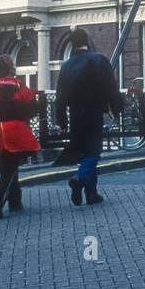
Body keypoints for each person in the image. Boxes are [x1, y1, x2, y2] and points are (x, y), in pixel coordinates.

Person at [54, 28, 122, 207]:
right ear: (87, 41)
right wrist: (116, 109)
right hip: (94, 111)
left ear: (72, 44)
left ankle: (91, 194)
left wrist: (61, 120)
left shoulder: (66, 66)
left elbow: (59, 96)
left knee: (84, 152)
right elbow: (111, 88)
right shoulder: (98, 60)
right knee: (93, 152)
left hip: (75, 113)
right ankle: (79, 179)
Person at [0, 54, 40, 220]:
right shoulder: (20, 87)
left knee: (9, 164)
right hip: (17, 131)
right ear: (10, 70)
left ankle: (15, 201)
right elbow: (33, 108)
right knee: (10, 168)